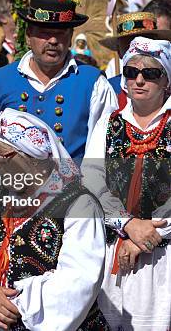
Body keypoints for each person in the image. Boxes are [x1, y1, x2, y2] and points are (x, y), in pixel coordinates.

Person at [0, 108, 109, 330]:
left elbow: (77, 282)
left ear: (32, 159)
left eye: (1, 156)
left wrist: (5, 304)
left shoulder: (79, 205)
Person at [81, 36, 171, 330]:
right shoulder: (109, 124)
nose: (139, 80)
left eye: (151, 73)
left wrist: (146, 236)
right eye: (131, 72)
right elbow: (92, 180)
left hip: (164, 254)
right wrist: (128, 224)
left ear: (166, 80)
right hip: (114, 247)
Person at [0, 0, 117, 164]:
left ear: (70, 38)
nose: (53, 40)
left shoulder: (93, 83)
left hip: (75, 187)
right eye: (45, 33)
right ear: (28, 36)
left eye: (60, 34)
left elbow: (101, 152)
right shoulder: (1, 80)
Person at [100, 12, 171, 109]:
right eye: (130, 47)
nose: (136, 51)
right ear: (119, 52)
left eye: (144, 45)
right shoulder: (107, 88)